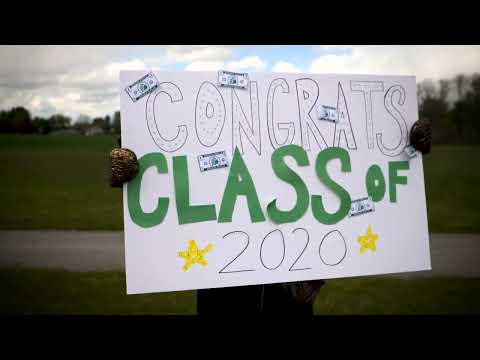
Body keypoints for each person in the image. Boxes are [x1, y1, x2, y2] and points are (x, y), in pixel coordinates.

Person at [109, 119, 432, 315]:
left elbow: (350, 180)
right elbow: (172, 190)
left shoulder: (303, 152)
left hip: (290, 299)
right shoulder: (207, 154)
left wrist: (405, 149)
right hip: (221, 299)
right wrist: (135, 169)